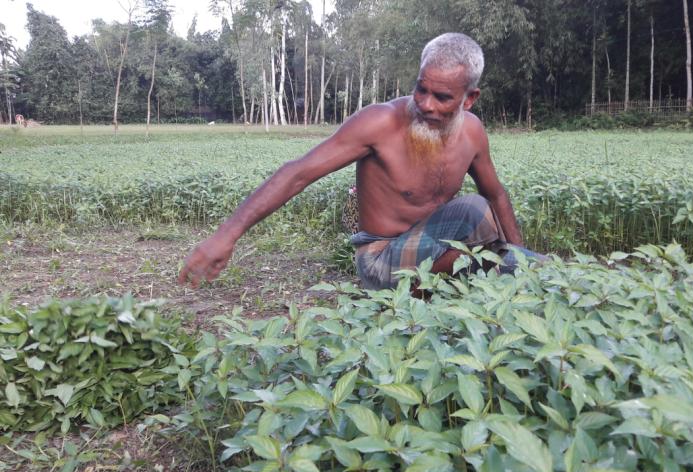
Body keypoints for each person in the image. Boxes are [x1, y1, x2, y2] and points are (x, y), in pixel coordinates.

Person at [179, 32, 543, 290]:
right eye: (421, 88)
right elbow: (298, 173)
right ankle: (460, 282)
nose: (426, 104)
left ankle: (502, 273)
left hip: (432, 245)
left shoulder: (473, 133)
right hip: (381, 260)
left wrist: (521, 254)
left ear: (469, 99)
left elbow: (496, 196)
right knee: (495, 262)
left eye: (442, 97)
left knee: (483, 217)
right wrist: (225, 237)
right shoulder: (380, 123)